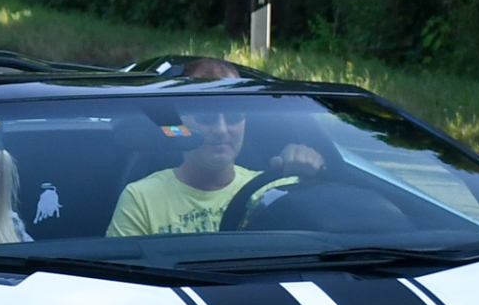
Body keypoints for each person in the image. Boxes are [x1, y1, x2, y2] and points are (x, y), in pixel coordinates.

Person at [107, 61, 323, 236]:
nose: (221, 129)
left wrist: (315, 173)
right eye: (207, 118)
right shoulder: (142, 198)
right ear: (178, 124)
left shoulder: (277, 188)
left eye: (233, 116)